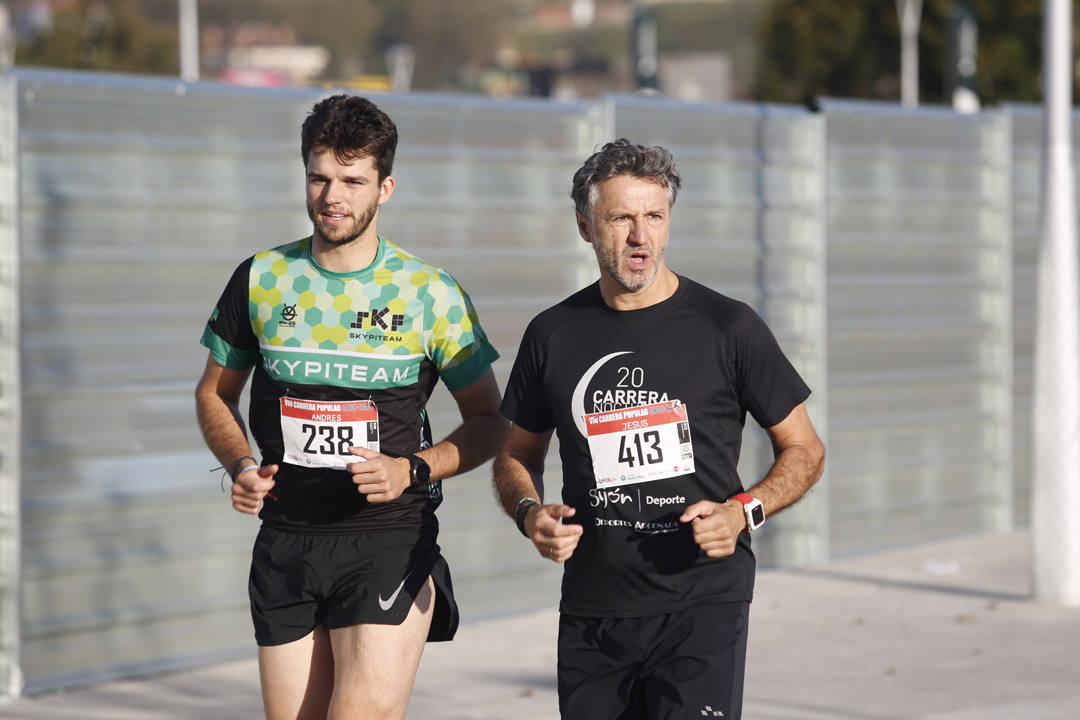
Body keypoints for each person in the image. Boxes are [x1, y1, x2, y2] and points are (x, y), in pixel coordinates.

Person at [195, 94, 507, 720]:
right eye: (320, 177)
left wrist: (412, 469)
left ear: (385, 188)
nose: (332, 196)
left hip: (387, 538)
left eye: (352, 180)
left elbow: (490, 421)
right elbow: (214, 393)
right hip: (287, 538)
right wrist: (239, 467)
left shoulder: (430, 293)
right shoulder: (261, 278)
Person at [493, 138, 825, 720]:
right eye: (620, 217)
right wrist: (528, 513)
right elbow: (514, 454)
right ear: (585, 226)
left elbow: (805, 449)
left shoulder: (728, 327)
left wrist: (743, 511)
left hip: (702, 605)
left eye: (654, 216)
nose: (639, 236)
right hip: (595, 610)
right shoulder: (553, 333)